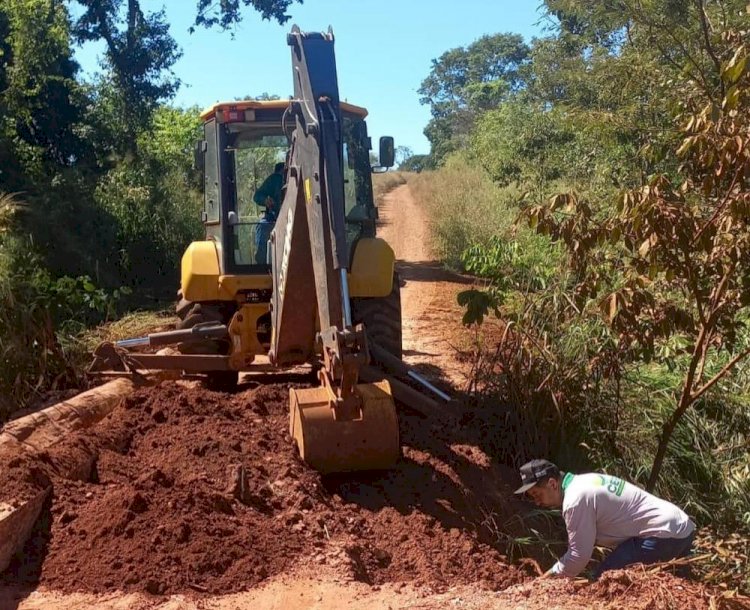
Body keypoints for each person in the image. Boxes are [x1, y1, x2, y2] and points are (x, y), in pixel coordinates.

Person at [514, 459, 695, 579]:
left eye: (537, 494)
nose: (536, 502)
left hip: (662, 535)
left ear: (552, 484)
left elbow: (579, 556)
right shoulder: (584, 481)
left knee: (604, 582)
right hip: (681, 527)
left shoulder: (575, 500)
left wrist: (546, 581)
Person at [252, 161, 285, 264]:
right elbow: (257, 196)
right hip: (273, 218)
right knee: (263, 226)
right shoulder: (275, 179)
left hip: (291, 218)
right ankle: (262, 265)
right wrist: (266, 200)